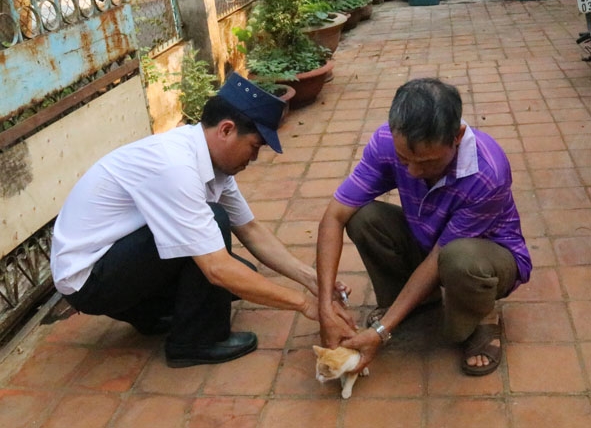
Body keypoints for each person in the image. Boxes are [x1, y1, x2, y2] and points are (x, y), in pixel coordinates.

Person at [50, 73, 321, 368]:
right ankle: (194, 342)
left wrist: (311, 280)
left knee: (239, 274)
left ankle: (148, 314)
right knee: (217, 238)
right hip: (89, 279)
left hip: (117, 259)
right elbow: (217, 269)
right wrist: (305, 304)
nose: (254, 158)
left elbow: (251, 230)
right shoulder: (175, 166)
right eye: (255, 146)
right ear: (227, 130)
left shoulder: (213, 163)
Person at [317, 78, 532, 376]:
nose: (414, 172)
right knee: (362, 217)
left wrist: (380, 330)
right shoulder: (385, 142)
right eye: (405, 160)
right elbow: (334, 215)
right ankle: (413, 305)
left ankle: (482, 317)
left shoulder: (487, 172)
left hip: (489, 259)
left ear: (456, 136)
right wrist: (325, 305)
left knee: (459, 258)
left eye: (428, 162)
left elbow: (438, 259)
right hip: (431, 240)